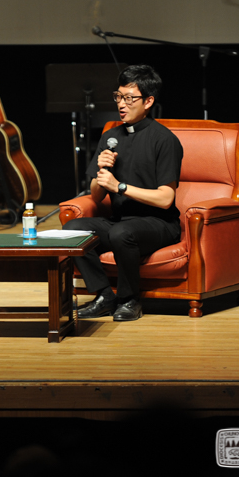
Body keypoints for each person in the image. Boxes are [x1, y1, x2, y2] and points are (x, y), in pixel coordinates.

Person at [64, 65, 183, 321]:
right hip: (120, 221)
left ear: (148, 101)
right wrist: (101, 170)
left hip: (159, 223)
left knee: (122, 232)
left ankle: (130, 299)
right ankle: (104, 296)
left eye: (130, 98)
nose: (121, 104)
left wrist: (120, 187)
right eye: (118, 96)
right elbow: (96, 196)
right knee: (72, 229)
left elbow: (166, 199)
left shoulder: (164, 140)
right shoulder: (110, 137)